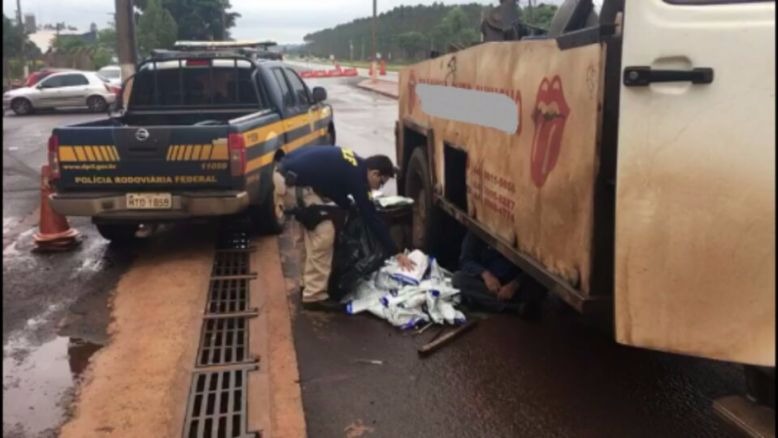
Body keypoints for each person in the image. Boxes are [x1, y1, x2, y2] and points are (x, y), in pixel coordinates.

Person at [275, 146, 415, 311]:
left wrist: (347, 205)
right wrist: (396, 252)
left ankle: (306, 284)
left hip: (283, 173)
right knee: (323, 232)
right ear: (374, 173)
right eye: (380, 182)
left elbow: (334, 189)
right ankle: (314, 296)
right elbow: (371, 216)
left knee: (309, 228)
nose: (378, 188)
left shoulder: (355, 165)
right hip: (291, 182)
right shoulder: (358, 177)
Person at [452, 231, 544, 318]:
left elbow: (536, 267)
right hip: (489, 284)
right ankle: (512, 308)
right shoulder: (479, 227)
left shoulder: (527, 234)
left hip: (516, 284)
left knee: (539, 286)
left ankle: (488, 302)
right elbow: (466, 260)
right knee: (458, 279)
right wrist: (485, 275)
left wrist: (515, 284)